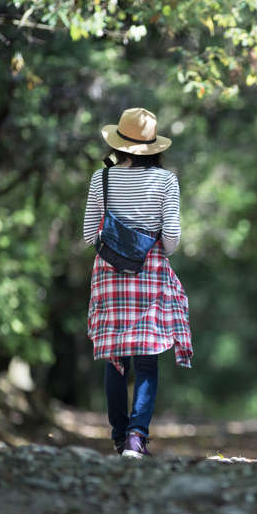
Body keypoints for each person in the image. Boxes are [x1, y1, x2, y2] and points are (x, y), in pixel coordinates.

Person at [83, 107, 192, 459]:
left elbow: (89, 235)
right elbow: (172, 236)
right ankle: (136, 437)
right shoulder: (166, 180)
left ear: (118, 143)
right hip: (151, 272)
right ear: (154, 146)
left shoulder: (102, 179)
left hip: (109, 276)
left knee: (115, 357)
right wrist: (153, 244)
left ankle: (118, 437)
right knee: (146, 360)